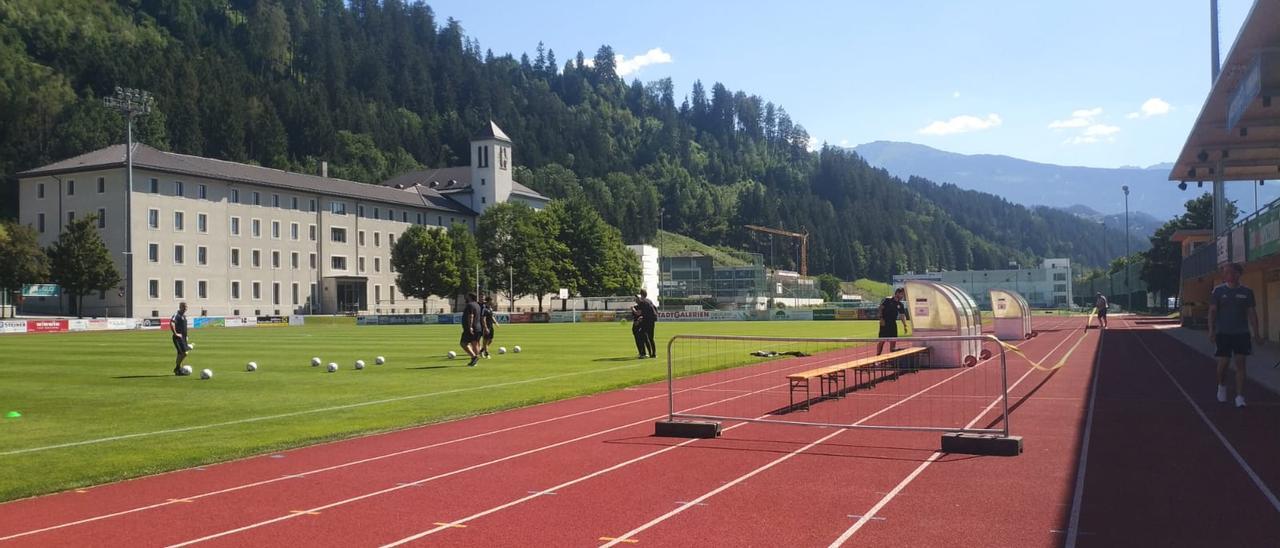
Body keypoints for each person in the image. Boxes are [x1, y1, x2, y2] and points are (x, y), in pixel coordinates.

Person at [1207, 263, 1263, 408]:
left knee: (1240, 363)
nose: (1229, 275)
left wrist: (1256, 333)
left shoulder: (1247, 292)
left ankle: (1239, 396)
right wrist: (1211, 330)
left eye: (1232, 272)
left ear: (1238, 274)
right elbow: (1212, 312)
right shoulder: (1218, 291)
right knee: (1224, 363)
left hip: (1241, 333)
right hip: (1223, 333)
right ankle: (1221, 385)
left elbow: (1252, 313)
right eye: (1226, 273)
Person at [876, 288, 909, 355]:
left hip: (893, 323)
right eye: (902, 294)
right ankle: (877, 356)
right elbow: (880, 308)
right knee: (882, 340)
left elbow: (902, 315)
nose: (903, 296)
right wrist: (881, 318)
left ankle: (892, 356)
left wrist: (905, 325)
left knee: (893, 340)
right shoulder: (887, 299)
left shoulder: (900, 304)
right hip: (885, 323)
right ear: (897, 293)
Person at [460, 293, 483, 367]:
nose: (466, 298)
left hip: (471, 328)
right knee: (475, 344)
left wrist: (470, 327)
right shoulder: (477, 305)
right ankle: (475, 361)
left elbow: (471, 316)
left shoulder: (469, 305)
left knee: (463, 343)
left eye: (467, 296)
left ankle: (474, 357)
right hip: (478, 327)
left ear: (470, 297)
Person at [637, 289, 658, 359]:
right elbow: (654, 309)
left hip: (646, 321)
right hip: (652, 321)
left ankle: (643, 353)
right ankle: (654, 353)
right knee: (651, 338)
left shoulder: (642, 302)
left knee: (641, 335)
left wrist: (632, 309)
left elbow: (639, 313)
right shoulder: (649, 301)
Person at [171, 302, 190, 375]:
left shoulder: (184, 316)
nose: (186, 308)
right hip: (178, 338)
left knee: (181, 354)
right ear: (180, 307)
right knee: (184, 353)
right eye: (184, 306)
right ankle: (177, 368)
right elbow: (172, 323)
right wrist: (175, 333)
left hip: (183, 338)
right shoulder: (176, 315)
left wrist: (186, 336)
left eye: (186, 307)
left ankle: (178, 369)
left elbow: (184, 327)